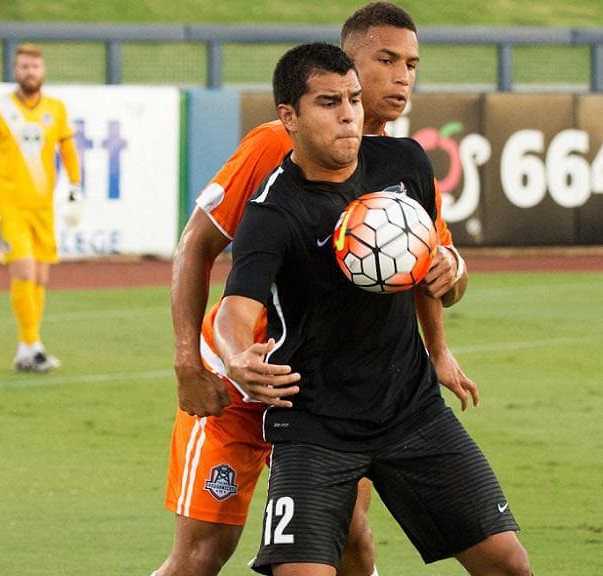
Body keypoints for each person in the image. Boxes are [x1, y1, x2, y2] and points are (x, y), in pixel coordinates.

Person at [157, 4, 477, 575]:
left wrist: (445, 314)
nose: (402, 77)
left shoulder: (400, 166)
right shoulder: (273, 144)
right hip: (239, 387)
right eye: (386, 61)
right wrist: (188, 362)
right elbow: (196, 244)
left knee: (352, 540)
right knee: (202, 555)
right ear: (348, 63)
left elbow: (435, 277)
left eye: (411, 64)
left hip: (329, 400)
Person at [215, 42, 532, 576]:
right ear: (289, 117)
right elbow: (235, 310)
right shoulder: (273, 212)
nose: (348, 115)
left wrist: (448, 278)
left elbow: (433, 266)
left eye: (354, 99)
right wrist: (235, 356)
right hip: (315, 424)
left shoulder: (405, 161)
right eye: (328, 102)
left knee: (508, 564)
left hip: (412, 410)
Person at [0, 43, 84, 373]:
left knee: (41, 277)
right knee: (24, 271)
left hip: (43, 207)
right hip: (10, 205)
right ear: (15, 70)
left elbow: (68, 151)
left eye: (34, 67)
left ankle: (27, 348)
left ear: (43, 70)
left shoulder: (56, 109)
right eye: (24, 66)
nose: (29, 72)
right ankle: (32, 345)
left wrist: (75, 188)